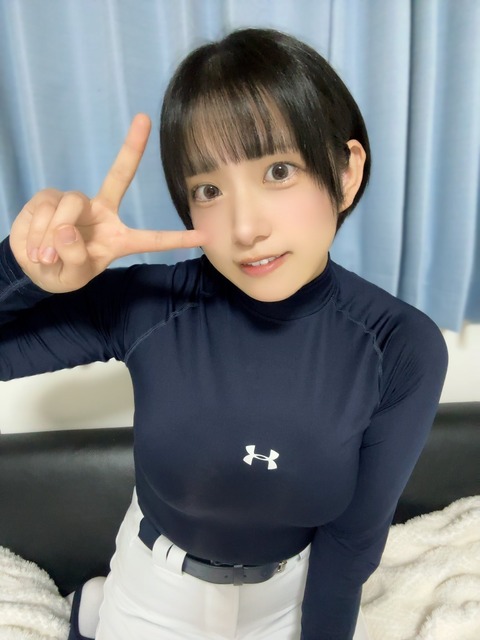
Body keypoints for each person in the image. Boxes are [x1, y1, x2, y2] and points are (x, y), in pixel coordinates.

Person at [0, 28, 448, 640]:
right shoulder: (153, 304)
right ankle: (98, 606)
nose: (244, 228)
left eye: (279, 171)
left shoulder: (399, 344)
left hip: (287, 601)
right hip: (155, 594)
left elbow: (351, 544)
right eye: (209, 189)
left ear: (346, 172)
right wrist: (24, 270)